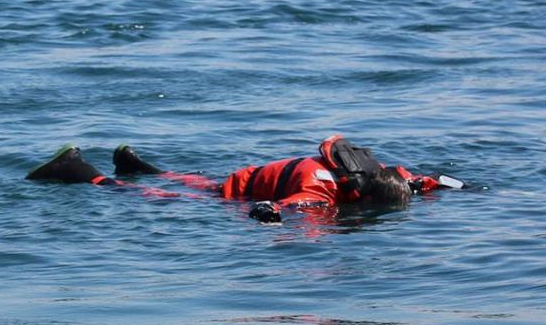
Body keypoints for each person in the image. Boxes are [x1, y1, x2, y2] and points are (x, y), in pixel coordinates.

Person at [27, 135, 465, 223]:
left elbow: (417, 180)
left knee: (198, 183)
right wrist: (269, 212)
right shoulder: (323, 190)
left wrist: (452, 186)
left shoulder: (379, 172)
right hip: (244, 190)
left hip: (248, 176)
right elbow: (297, 205)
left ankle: (135, 165)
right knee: (166, 198)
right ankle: (80, 171)